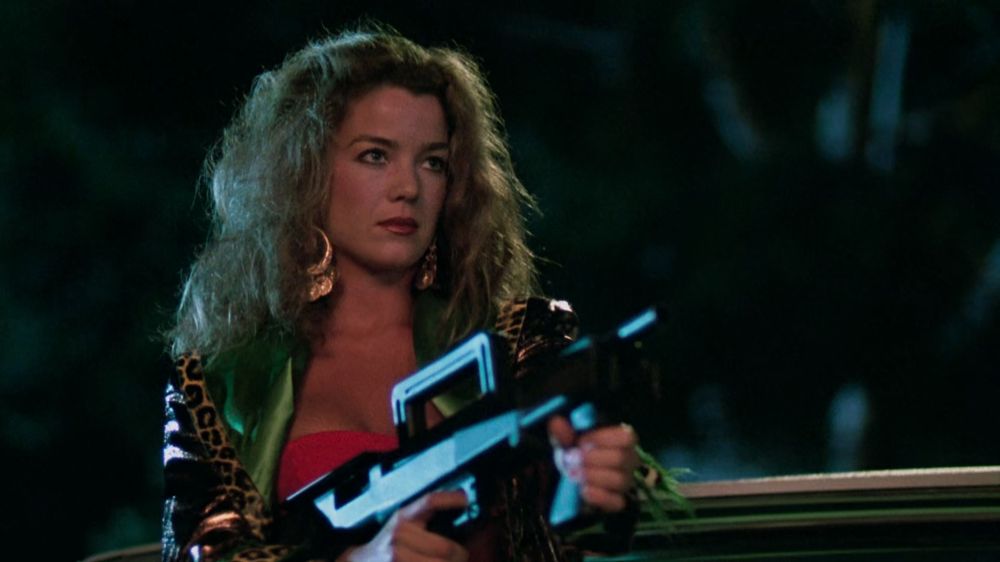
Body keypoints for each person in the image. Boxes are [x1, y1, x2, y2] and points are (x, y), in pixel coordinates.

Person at [162, 27, 640, 562]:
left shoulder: (519, 342)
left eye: (433, 162)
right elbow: (202, 551)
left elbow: (589, 530)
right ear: (305, 171)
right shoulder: (222, 382)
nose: (408, 187)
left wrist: (597, 485)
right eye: (375, 155)